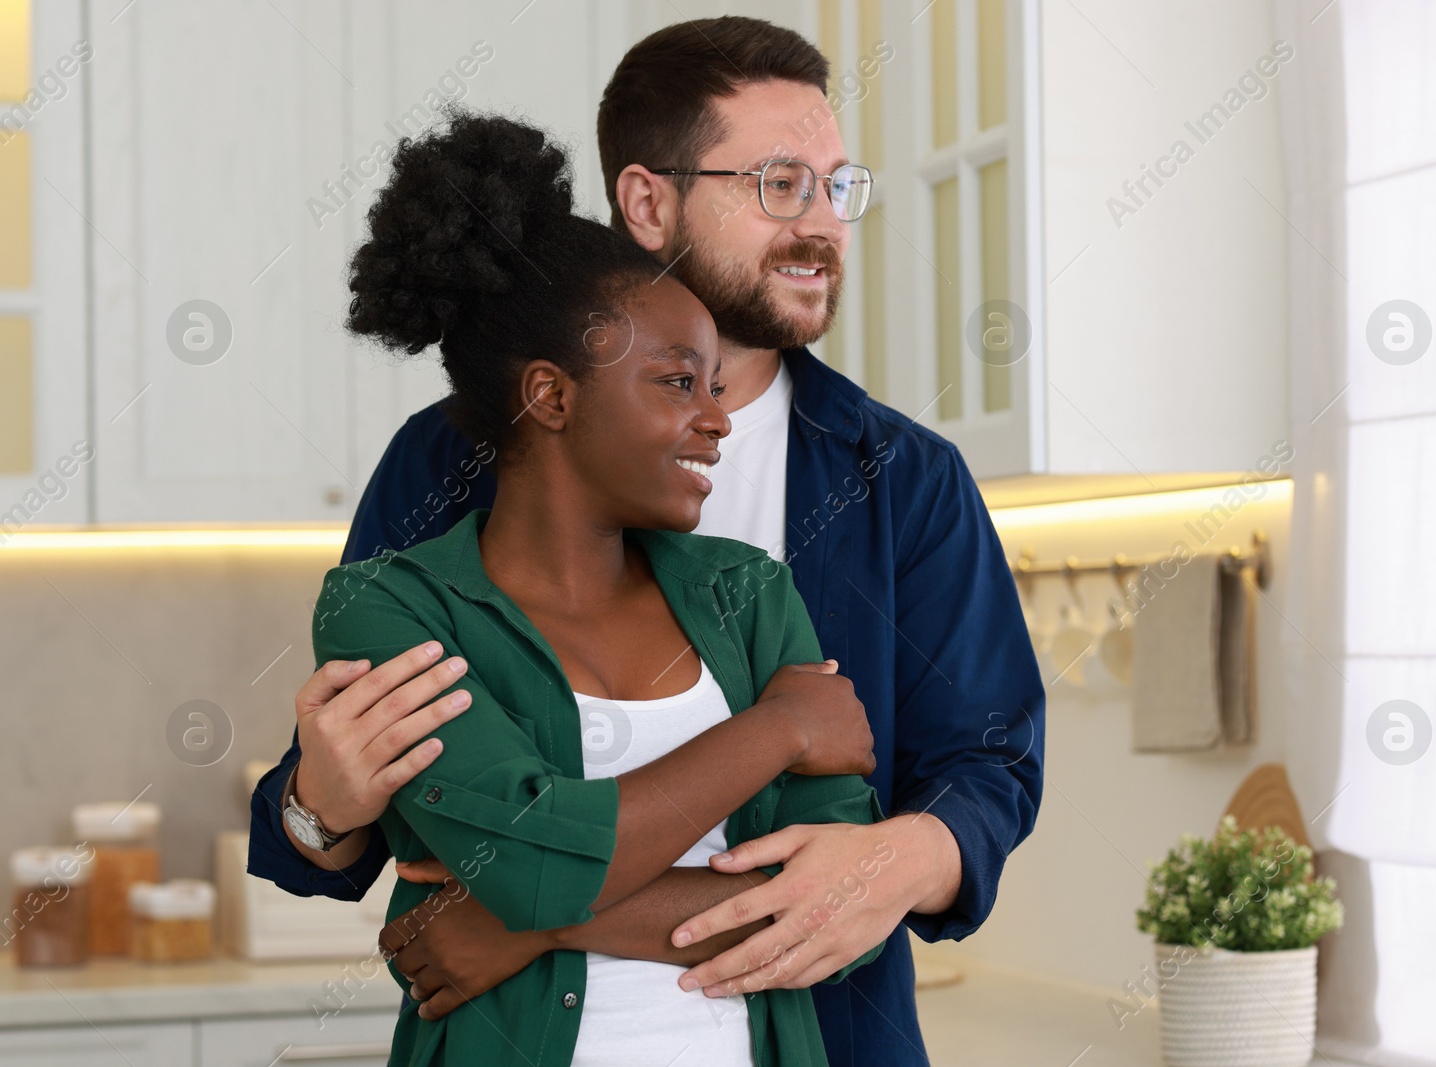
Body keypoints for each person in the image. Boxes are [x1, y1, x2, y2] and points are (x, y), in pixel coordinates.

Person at [249, 16, 1044, 1065]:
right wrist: (317, 805)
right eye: (777, 184)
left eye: (837, 187)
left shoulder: (903, 482)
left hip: (831, 1033)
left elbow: (985, 769)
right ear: (646, 200)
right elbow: (360, 823)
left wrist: (895, 857)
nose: (823, 226)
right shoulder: (446, 467)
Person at [309, 108, 889, 1065]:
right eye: (677, 383)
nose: (718, 422)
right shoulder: (392, 607)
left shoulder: (749, 591)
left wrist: (532, 921)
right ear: (554, 396)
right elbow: (531, 863)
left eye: (716, 385)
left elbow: (834, 910)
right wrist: (781, 727)